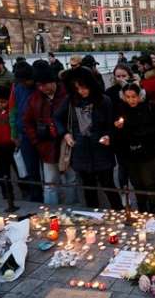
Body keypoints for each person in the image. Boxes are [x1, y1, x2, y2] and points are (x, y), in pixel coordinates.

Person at [57, 67, 122, 210]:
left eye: (84, 87)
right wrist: (66, 134)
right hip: (81, 150)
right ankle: (94, 216)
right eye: (77, 88)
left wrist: (108, 136)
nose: (81, 91)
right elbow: (57, 118)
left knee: (108, 185)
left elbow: (112, 123)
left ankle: (120, 213)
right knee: (89, 188)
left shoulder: (103, 100)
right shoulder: (70, 101)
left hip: (101, 150)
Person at [23, 64, 77, 205]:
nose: (42, 88)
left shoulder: (67, 94)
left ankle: (72, 208)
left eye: (44, 84)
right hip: (46, 146)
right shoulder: (34, 98)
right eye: (39, 85)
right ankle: (51, 212)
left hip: (67, 144)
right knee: (50, 183)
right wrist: (36, 142)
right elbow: (28, 122)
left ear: (53, 81)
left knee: (71, 179)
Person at [116, 82, 155, 213]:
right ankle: (142, 207)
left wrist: (140, 133)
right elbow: (118, 133)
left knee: (149, 181)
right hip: (129, 153)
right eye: (128, 97)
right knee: (136, 183)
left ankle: (153, 207)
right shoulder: (121, 108)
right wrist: (118, 128)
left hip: (148, 151)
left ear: (140, 96)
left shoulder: (150, 107)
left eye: (134, 96)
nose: (131, 100)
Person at [9, 62, 42, 202]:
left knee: (47, 169)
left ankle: (49, 196)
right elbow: (13, 110)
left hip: (40, 132)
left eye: (25, 80)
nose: (23, 83)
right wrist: (14, 132)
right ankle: (36, 197)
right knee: (31, 168)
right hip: (24, 134)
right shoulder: (18, 87)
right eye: (21, 81)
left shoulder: (39, 87)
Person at [105, 64, 138, 193]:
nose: (121, 79)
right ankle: (124, 191)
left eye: (123, 76)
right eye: (118, 76)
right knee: (122, 166)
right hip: (119, 134)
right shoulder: (110, 92)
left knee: (136, 166)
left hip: (135, 133)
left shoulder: (136, 89)